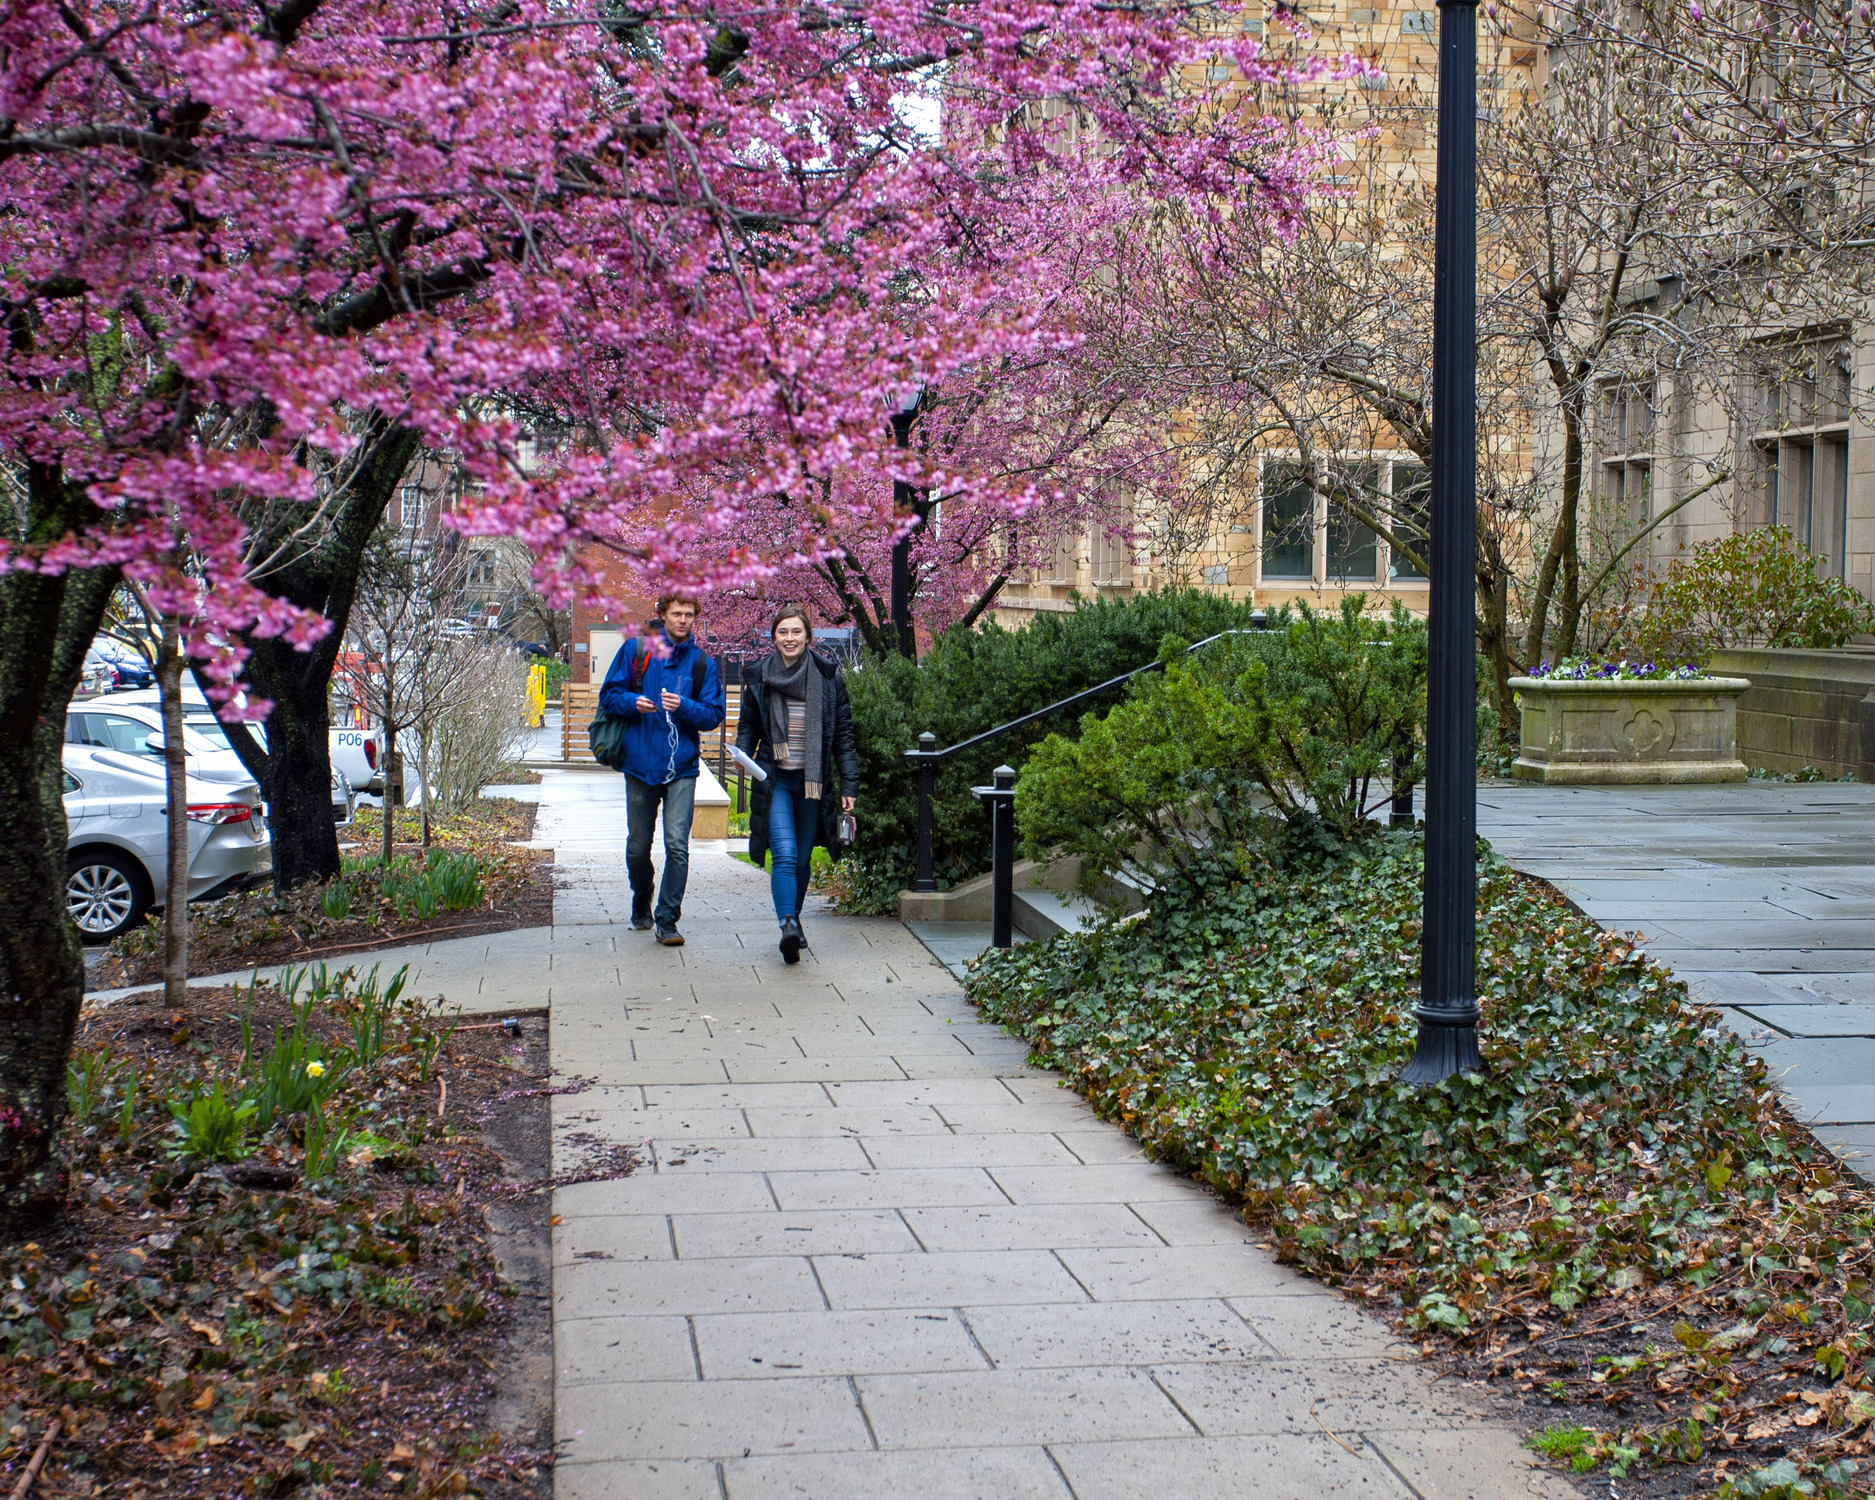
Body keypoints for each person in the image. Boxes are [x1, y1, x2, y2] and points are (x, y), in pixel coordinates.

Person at [597, 594, 725, 945]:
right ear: (662, 615)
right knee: (638, 846)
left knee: (677, 846)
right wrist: (631, 702)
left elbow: (713, 714)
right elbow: (608, 695)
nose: (682, 620)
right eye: (676, 613)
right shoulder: (636, 651)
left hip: (681, 766)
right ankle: (642, 893)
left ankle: (667, 919)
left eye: (689, 614)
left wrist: (684, 707)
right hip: (639, 763)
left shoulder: (702, 664)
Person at [736, 607, 859, 964]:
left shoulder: (827, 677)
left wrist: (850, 783)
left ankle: (795, 917)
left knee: (803, 858)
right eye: (782, 632)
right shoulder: (759, 676)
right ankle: (787, 923)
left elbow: (843, 737)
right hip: (775, 780)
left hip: (813, 784)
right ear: (773, 637)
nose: (789, 638)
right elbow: (748, 727)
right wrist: (742, 752)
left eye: (796, 632)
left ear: (808, 636)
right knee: (785, 854)